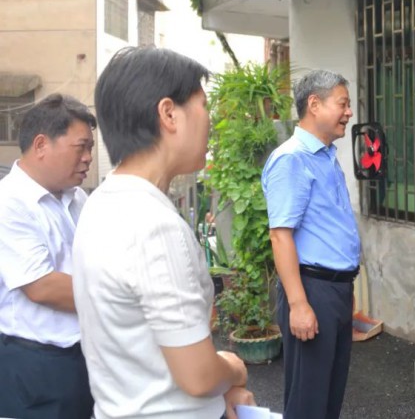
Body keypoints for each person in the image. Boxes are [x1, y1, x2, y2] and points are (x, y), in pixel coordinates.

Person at [71, 47, 255, 418]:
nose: (210, 117)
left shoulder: (102, 201)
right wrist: (233, 368)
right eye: (203, 104)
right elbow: (199, 375)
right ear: (169, 113)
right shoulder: (153, 225)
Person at [262, 69, 361, 419]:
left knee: (329, 397)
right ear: (314, 105)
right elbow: (280, 235)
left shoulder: (326, 156)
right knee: (308, 403)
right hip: (310, 290)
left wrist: (344, 288)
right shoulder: (292, 159)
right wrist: (299, 304)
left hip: (332, 290)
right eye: (343, 104)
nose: (349, 113)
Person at [0, 94, 96, 418]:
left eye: (91, 149)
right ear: (41, 144)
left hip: (85, 355)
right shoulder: (9, 203)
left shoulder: (77, 198)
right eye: (80, 147)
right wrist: (129, 296)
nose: (88, 158)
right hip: (36, 367)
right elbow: (41, 286)